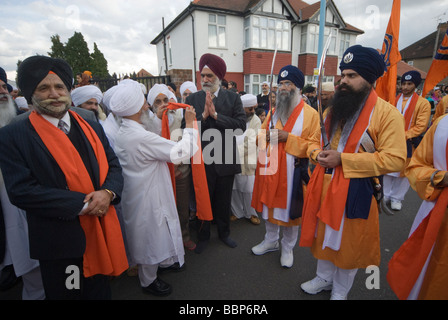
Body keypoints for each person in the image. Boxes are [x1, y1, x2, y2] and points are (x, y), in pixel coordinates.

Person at [0, 56, 128, 300]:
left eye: (59, 86)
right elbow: (21, 191)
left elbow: (113, 165)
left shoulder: (89, 120)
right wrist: (86, 205)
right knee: (69, 294)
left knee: (99, 293)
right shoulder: (13, 134)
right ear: (31, 93)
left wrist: (108, 193)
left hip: (100, 233)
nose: (54, 93)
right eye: (44, 87)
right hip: (59, 244)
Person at [299, 45, 407, 300]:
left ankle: (340, 290)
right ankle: (324, 278)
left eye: (352, 76)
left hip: (357, 190)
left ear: (369, 79)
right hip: (323, 185)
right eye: (343, 75)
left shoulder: (388, 114)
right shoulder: (332, 110)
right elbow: (314, 142)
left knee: (348, 244)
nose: (343, 81)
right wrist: (317, 155)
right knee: (323, 236)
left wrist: (343, 160)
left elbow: (396, 160)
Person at [110, 80, 199, 296]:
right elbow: (180, 152)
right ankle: (148, 281)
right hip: (148, 195)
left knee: (158, 232)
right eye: (143, 104)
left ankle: (163, 263)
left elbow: (156, 141)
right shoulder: (138, 136)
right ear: (134, 108)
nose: (146, 107)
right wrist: (191, 126)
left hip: (144, 190)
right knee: (151, 236)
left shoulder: (129, 130)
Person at [251, 65, 320, 268]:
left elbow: (314, 146)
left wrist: (288, 138)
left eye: (287, 83)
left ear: (298, 88)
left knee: (291, 212)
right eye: (280, 84)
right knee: (269, 208)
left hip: (293, 172)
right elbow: (259, 138)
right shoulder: (273, 112)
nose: (282, 88)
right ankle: (270, 240)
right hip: (270, 168)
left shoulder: (311, 115)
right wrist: (266, 137)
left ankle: (288, 247)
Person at [185, 53, 246, 254]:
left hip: (225, 159)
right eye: (203, 75)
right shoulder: (193, 98)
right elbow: (188, 130)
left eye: (210, 76)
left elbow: (240, 127)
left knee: (223, 200)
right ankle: (203, 237)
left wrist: (217, 116)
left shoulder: (233, 98)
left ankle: (224, 234)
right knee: (203, 199)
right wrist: (202, 117)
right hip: (202, 160)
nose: (205, 80)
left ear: (219, 77)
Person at [387, 114, 448, 300]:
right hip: (437, 210)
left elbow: (419, 126)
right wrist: (440, 177)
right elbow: (416, 166)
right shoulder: (442, 124)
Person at [0, 68, 45, 300]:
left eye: (3, 86)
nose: (2, 91)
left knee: (30, 252)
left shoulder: (19, 120)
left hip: (24, 198)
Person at [383, 71, 431, 211]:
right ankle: (385, 194)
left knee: (404, 172)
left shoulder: (423, 104)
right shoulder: (392, 100)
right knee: (387, 168)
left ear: (415, 85)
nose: (405, 87)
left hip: (409, 143)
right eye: (403, 83)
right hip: (389, 141)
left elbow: (421, 126)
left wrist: (402, 135)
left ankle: (397, 198)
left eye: (409, 84)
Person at [231, 94, 262, 225]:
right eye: (250, 109)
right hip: (232, 160)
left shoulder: (255, 120)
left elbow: (251, 142)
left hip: (247, 159)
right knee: (234, 189)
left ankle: (251, 213)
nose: (253, 111)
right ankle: (237, 212)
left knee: (249, 189)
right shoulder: (233, 118)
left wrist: (231, 153)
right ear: (242, 108)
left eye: (254, 108)